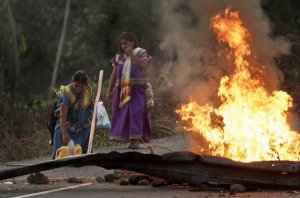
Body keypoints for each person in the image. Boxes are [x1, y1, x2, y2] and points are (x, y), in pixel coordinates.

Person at [107, 32, 152, 149]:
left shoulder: (141, 53)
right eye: (121, 44)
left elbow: (143, 64)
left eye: (126, 43)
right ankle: (127, 138)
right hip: (122, 91)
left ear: (132, 42)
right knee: (124, 114)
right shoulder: (119, 57)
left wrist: (131, 54)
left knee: (136, 112)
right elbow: (114, 74)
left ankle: (136, 140)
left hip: (138, 90)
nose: (123, 46)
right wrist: (109, 90)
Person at [52, 70, 93, 159]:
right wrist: (64, 133)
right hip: (67, 124)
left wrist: (98, 111)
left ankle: (84, 154)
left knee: (88, 133)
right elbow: (63, 116)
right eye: (76, 85)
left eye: (81, 86)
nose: (78, 88)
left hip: (82, 126)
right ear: (72, 82)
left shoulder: (87, 90)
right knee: (59, 132)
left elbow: (91, 106)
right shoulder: (66, 93)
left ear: (84, 85)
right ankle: (60, 157)